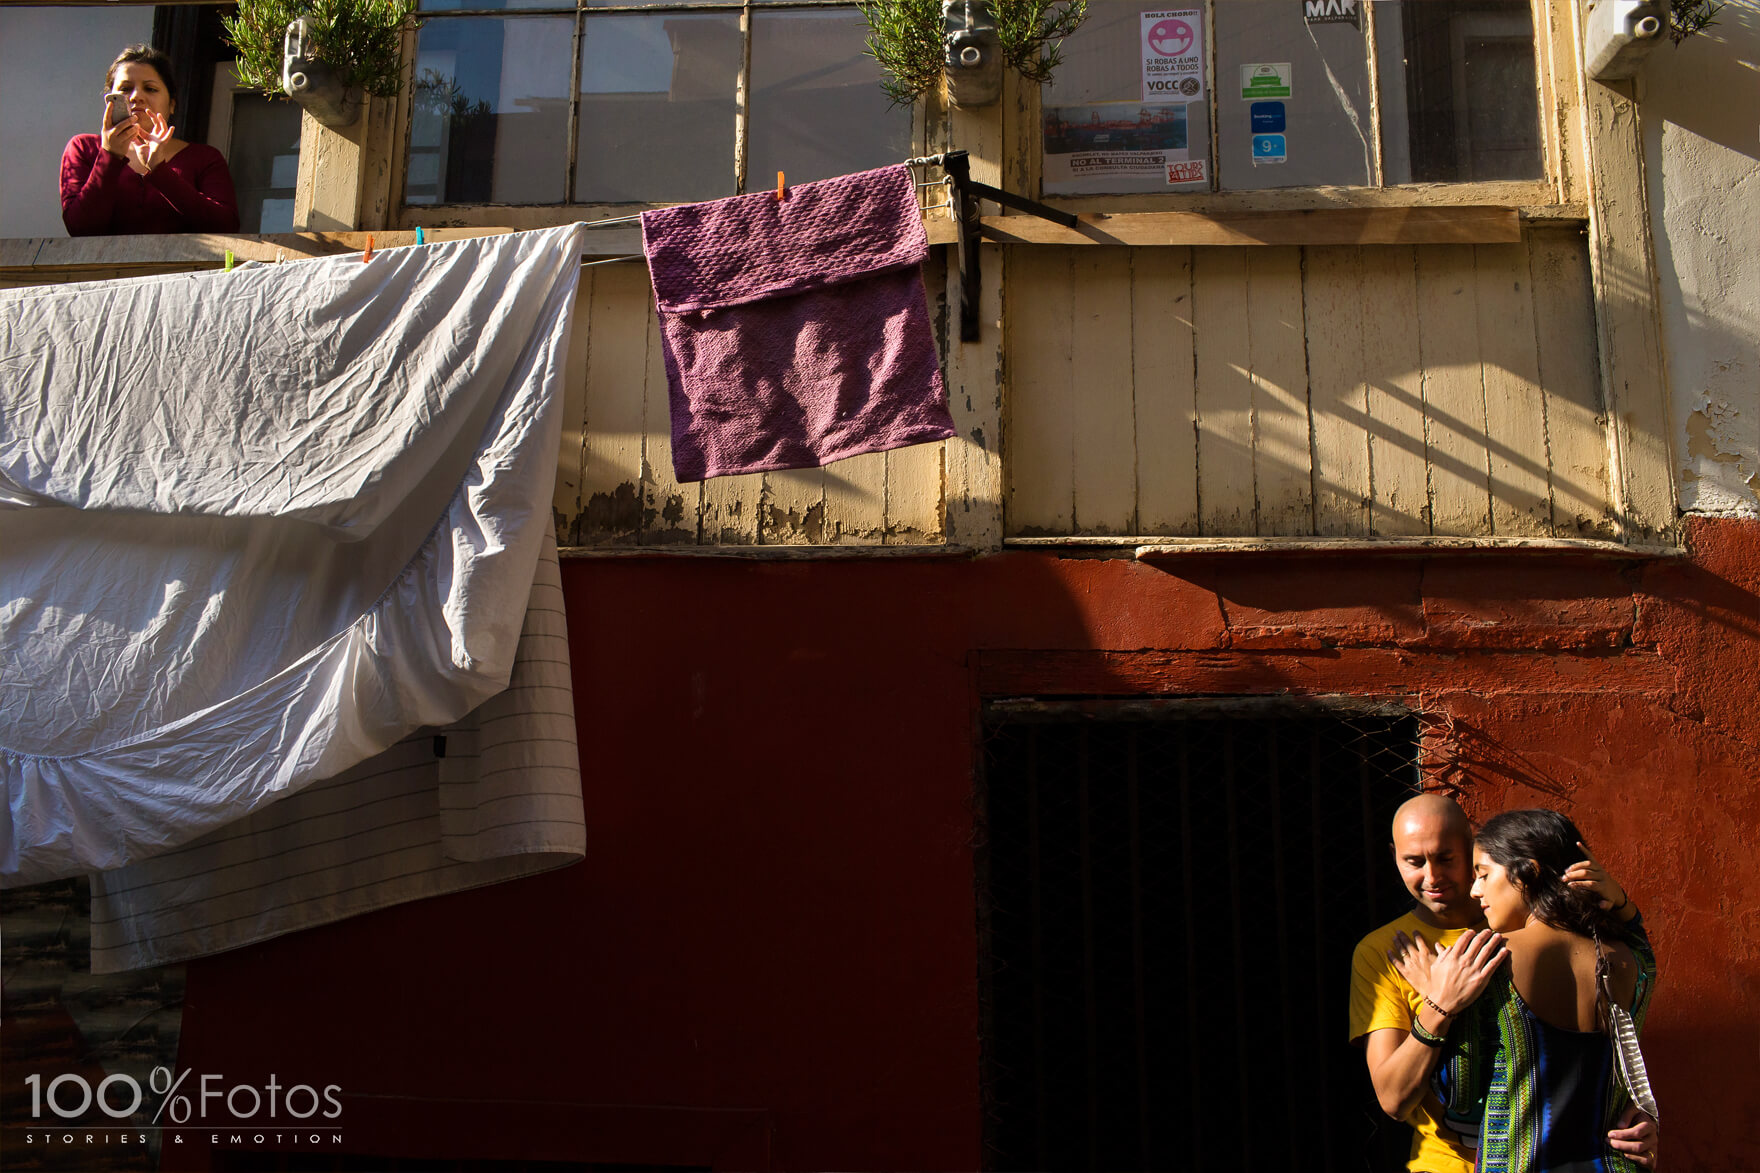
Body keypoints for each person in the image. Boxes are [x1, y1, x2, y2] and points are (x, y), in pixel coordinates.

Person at [1350, 795, 1657, 1172]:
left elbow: (1461, 1092)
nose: (1431, 877)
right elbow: (1393, 1100)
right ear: (1394, 856)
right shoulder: (1623, 953)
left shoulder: (1493, 954)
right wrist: (1625, 907)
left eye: (1450, 860)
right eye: (1414, 862)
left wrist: (1440, 1000)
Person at [60, 45, 239, 236]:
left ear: (172, 104)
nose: (136, 96)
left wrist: (159, 170)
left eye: (150, 89)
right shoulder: (83, 148)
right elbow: (79, 228)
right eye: (126, 89)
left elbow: (225, 227)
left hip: (185, 266)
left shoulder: (204, 158)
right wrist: (110, 156)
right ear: (109, 100)